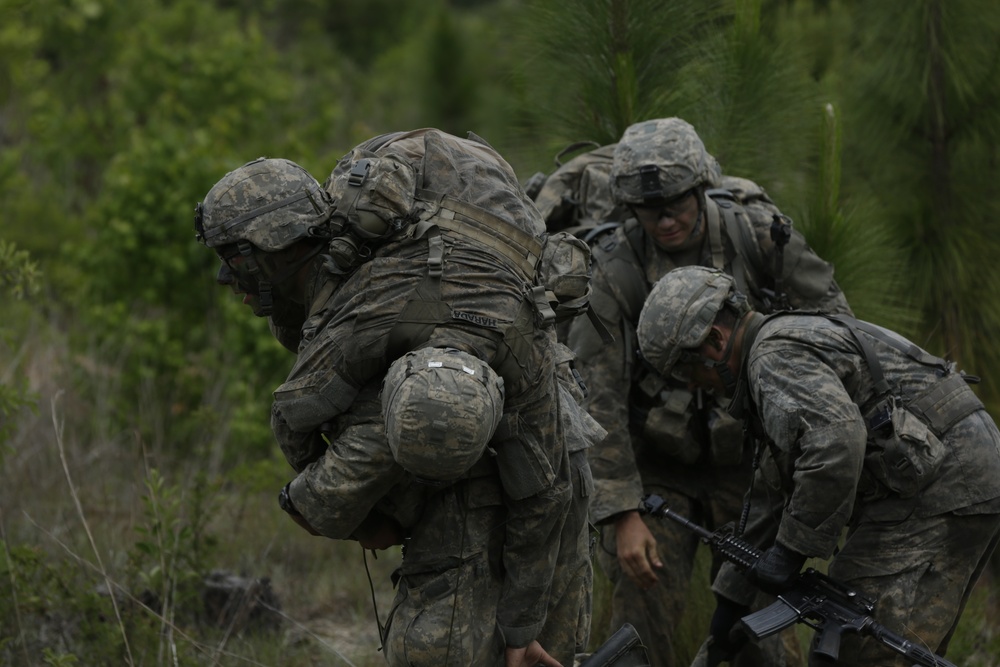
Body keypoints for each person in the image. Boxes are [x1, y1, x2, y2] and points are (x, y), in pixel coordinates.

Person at [195, 128, 601, 667]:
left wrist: (327, 509)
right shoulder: (390, 275)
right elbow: (548, 485)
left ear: (282, 243)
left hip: (478, 496)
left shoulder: (371, 299)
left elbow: (299, 420)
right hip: (550, 466)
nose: (229, 278)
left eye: (239, 259)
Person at [567, 117, 853, 666]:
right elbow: (594, 396)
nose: (665, 217)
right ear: (629, 205)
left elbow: (834, 330)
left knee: (765, 632)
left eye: (676, 200)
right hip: (657, 472)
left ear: (700, 187)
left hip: (754, 469)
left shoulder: (760, 237)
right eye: (649, 208)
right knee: (638, 619)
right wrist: (623, 513)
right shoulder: (613, 266)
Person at [636, 265, 1000, 665]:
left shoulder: (771, 358)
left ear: (714, 340)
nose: (691, 385)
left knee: (855, 647)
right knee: (895, 650)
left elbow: (836, 444)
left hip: (940, 486)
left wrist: (791, 552)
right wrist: (729, 610)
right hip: (960, 473)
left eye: (686, 369)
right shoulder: (786, 337)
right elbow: (773, 491)